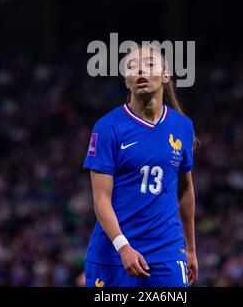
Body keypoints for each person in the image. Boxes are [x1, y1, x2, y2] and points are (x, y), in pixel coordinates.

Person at [83, 45, 198, 287]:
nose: (141, 72)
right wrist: (123, 247)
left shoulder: (182, 127)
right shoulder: (107, 128)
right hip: (113, 255)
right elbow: (100, 199)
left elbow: (185, 190)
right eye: (133, 67)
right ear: (127, 81)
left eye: (150, 65)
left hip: (166, 251)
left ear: (166, 76)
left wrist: (190, 249)